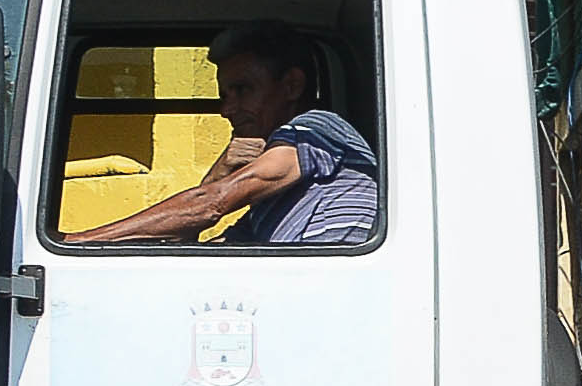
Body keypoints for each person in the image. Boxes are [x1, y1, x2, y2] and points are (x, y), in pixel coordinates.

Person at [70, 20, 384, 248]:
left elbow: (211, 205)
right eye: (224, 95)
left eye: (243, 90)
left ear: (291, 86)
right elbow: (190, 240)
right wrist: (217, 174)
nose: (227, 110)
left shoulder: (318, 129)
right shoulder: (267, 210)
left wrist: (82, 242)